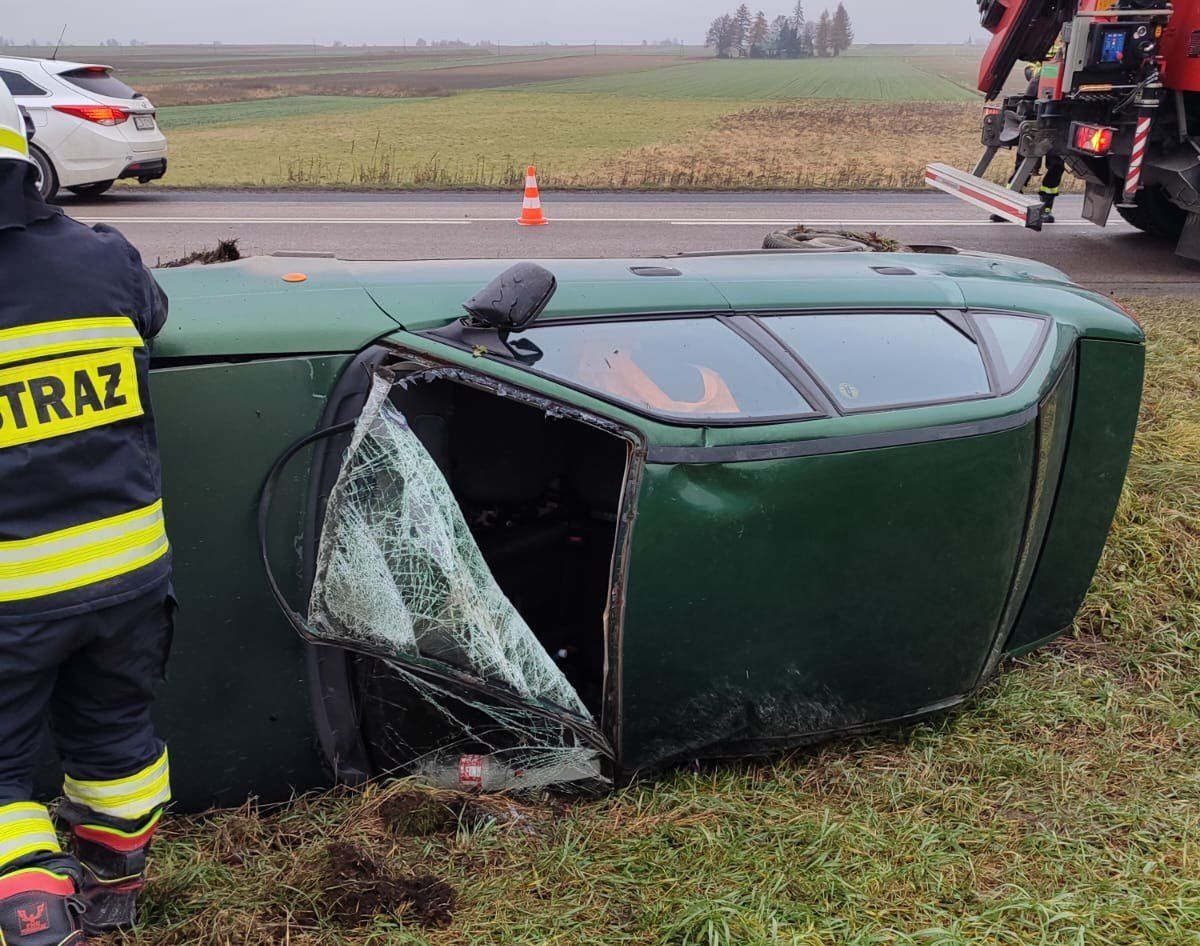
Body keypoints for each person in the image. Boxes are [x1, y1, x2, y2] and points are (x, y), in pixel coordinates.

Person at [0, 83, 174, 943]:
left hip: (9, 597)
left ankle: (35, 925)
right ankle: (112, 893)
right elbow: (154, 314)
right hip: (126, 576)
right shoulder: (104, 258)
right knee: (115, 743)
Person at [992, 59, 1067, 224]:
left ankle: (1046, 207)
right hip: (1035, 105)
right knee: (1023, 161)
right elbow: (1030, 69)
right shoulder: (1047, 44)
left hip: (1061, 110)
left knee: (1055, 163)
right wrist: (1039, 74)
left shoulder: (1067, 47)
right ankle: (1010, 204)